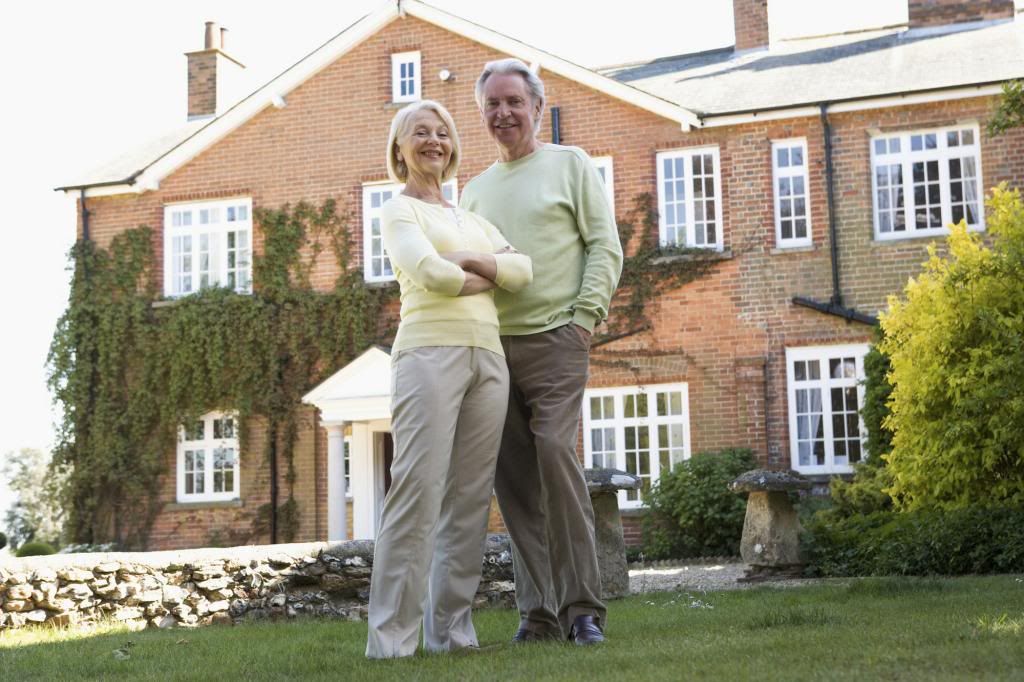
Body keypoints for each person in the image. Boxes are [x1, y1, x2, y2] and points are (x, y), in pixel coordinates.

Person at [460, 58, 623, 646]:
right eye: (492, 105)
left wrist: (584, 320)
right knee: (514, 483)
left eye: (513, 101)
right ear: (482, 114)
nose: (503, 112)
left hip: (557, 338)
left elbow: (606, 245)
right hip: (491, 348)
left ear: (535, 105)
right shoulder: (473, 192)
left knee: (556, 454)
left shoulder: (569, 164)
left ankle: (583, 609)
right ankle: (538, 612)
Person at [365, 99, 533, 659]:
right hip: (428, 354)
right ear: (400, 148)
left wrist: (469, 260)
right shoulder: (398, 212)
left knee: (467, 500)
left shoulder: (473, 219)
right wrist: (487, 267)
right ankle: (391, 641)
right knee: (416, 491)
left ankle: (452, 633)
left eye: (442, 133)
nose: (433, 141)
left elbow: (525, 271)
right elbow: (434, 276)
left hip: (489, 360)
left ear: (453, 146)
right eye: (420, 133)